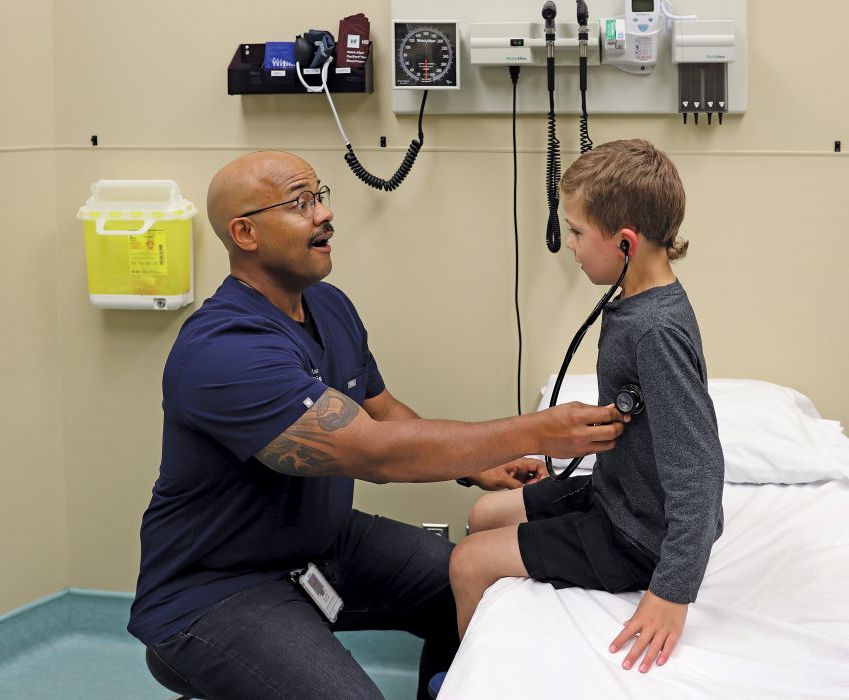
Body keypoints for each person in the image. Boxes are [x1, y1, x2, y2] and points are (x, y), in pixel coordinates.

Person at [127, 150, 625, 700]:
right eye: (300, 203)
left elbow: (383, 412)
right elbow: (375, 452)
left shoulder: (328, 306)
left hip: (324, 544)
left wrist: (482, 464)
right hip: (218, 588)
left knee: (478, 582)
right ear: (244, 233)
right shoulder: (223, 350)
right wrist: (534, 430)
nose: (323, 215)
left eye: (320, 196)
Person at [449, 139, 725, 676]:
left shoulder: (656, 330)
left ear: (625, 244)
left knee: (467, 562)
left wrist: (672, 591)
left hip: (638, 537)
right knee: (482, 514)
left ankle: (464, 678)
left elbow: (700, 469)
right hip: (614, 494)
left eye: (575, 232)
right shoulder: (636, 300)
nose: (568, 245)